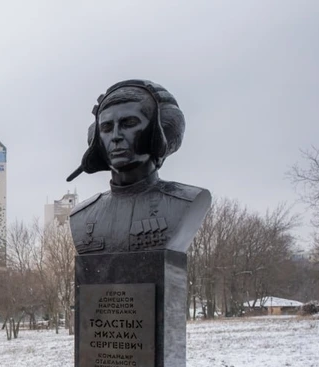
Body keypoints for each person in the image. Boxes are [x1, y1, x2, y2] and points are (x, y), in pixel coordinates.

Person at [66, 79, 211, 255]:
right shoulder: (82, 216)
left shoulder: (186, 201)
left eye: (129, 123)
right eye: (106, 127)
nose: (116, 136)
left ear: (157, 132)